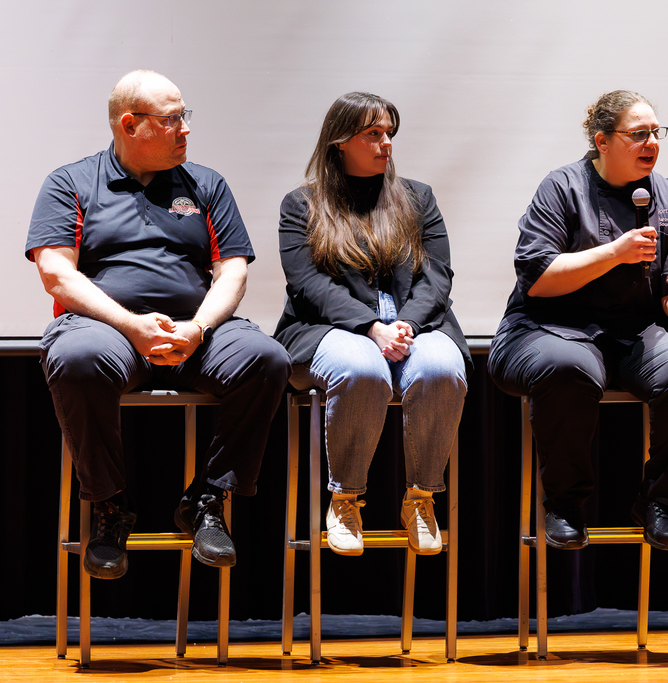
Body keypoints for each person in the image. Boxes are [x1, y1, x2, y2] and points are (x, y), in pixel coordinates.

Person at [26, 70, 292, 579]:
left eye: (184, 117)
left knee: (267, 359)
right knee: (75, 358)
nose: (185, 130)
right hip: (108, 333)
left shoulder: (206, 185)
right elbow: (56, 273)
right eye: (172, 120)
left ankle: (208, 499)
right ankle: (110, 508)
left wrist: (198, 328)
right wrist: (131, 326)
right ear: (130, 124)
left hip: (198, 332)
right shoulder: (71, 183)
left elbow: (232, 270)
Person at [488, 90, 668, 551]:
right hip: (549, 327)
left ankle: (660, 502)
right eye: (638, 134)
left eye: (657, 132)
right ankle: (564, 503)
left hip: (634, 333)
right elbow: (538, 279)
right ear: (602, 141)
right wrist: (614, 253)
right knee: (569, 365)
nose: (651, 142)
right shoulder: (561, 187)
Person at [274, 92, 471, 556]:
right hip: (328, 329)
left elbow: (437, 277)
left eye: (388, 134)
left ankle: (420, 498)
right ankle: (345, 498)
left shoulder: (417, 198)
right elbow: (308, 285)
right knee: (361, 369)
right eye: (373, 134)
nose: (385, 144)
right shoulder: (301, 205)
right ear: (339, 142)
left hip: (416, 325)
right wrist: (370, 327)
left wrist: (405, 324)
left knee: (441, 368)